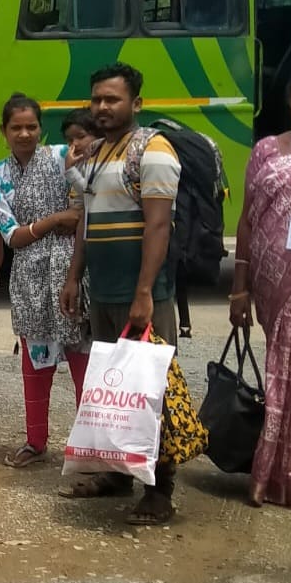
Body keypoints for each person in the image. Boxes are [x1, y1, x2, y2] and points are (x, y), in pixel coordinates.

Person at [59, 63, 182, 524]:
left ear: (136, 103)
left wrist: (145, 291)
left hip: (143, 294)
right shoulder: (95, 153)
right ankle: (116, 474)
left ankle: (160, 491)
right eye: (97, 100)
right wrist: (74, 277)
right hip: (104, 293)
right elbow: (86, 223)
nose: (102, 107)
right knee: (113, 388)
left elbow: (158, 225)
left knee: (150, 391)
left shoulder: (153, 149)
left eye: (112, 99)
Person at [0, 97, 92, 469]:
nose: (24, 134)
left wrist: (57, 222)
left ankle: (88, 446)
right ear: (4, 131)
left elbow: (84, 210)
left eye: (31, 126)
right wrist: (56, 219)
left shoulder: (63, 156)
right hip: (29, 279)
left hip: (72, 272)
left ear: (41, 128)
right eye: (16, 127)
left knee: (82, 358)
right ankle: (35, 441)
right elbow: (12, 236)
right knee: (36, 362)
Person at [228, 68, 291, 511]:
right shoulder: (266, 151)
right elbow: (246, 220)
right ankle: (274, 470)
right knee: (282, 371)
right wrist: (239, 288)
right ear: (289, 104)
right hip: (272, 281)